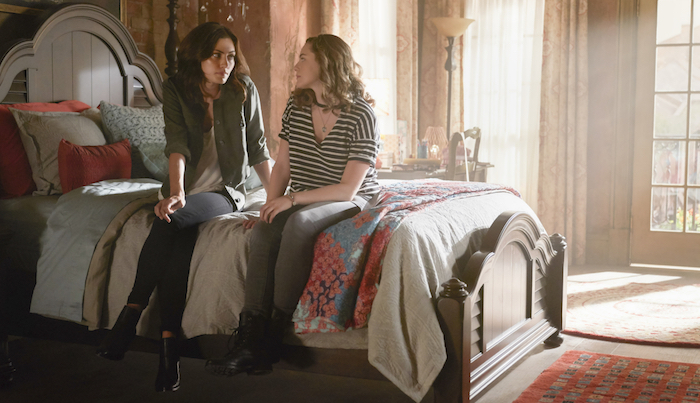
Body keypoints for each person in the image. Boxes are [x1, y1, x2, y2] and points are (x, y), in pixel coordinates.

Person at [96, 22, 272, 392]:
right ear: (198, 56)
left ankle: (130, 314)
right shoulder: (177, 88)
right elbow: (176, 145)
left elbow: (257, 147)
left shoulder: (243, 89)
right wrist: (177, 192)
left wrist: (274, 200)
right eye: (216, 56)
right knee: (178, 244)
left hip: (225, 191)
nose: (225, 64)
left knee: (168, 222)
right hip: (186, 188)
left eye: (230, 56)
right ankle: (168, 354)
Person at [205, 34, 380, 377]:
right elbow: (282, 166)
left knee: (299, 224)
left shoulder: (361, 113)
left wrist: (292, 200)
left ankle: (274, 334)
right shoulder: (296, 107)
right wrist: (269, 207)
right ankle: (250, 337)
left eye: (303, 58)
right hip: (306, 192)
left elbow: (348, 190)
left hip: (349, 197)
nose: (295, 65)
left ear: (326, 64)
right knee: (267, 228)